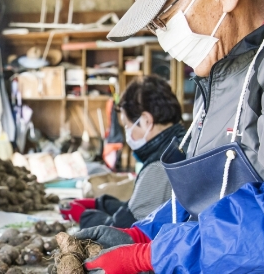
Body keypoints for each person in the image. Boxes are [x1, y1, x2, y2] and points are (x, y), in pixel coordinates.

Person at [74, 0, 264, 273]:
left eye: (165, 20)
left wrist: (150, 256)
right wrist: (142, 233)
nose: (163, 39)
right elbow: (204, 201)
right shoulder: (216, 76)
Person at [60, 76, 186, 229]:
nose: (128, 135)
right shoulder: (180, 143)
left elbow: (125, 231)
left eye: (127, 125)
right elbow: (136, 207)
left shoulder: (160, 166)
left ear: (146, 120)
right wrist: (99, 204)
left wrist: (84, 217)